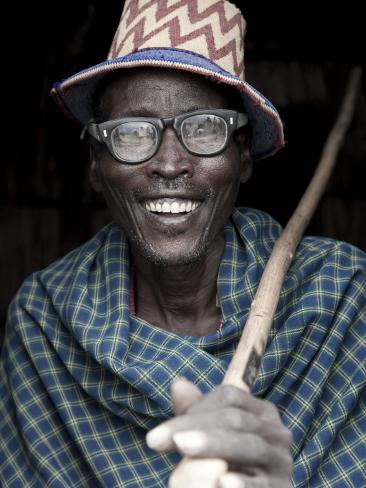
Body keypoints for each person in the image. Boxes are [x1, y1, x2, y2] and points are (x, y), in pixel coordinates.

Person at [1, 1, 365, 487]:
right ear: (95, 163)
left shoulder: (341, 295)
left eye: (204, 128)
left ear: (243, 158)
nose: (170, 164)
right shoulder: (46, 317)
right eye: (131, 133)